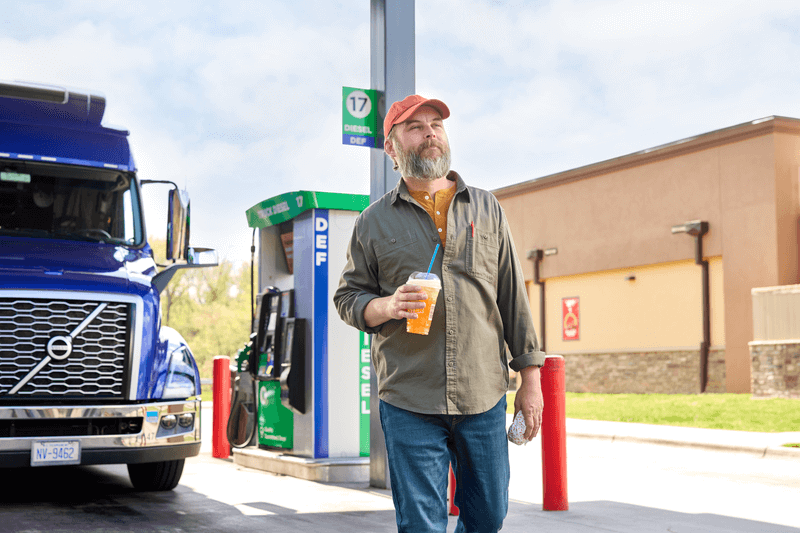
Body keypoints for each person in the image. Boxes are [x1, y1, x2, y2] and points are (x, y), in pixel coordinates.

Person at [334, 94, 545, 533]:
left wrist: (531, 381)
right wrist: (386, 305)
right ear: (392, 148)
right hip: (409, 396)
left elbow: (512, 297)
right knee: (422, 525)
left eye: (436, 124)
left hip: (482, 393)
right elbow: (348, 298)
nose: (430, 132)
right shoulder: (373, 222)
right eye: (415, 127)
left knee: (489, 516)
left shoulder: (487, 208)